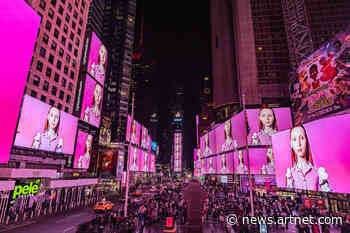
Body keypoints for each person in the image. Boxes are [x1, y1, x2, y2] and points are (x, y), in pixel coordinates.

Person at [286, 125, 332, 191]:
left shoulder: (319, 172)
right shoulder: (290, 174)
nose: (298, 144)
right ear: (291, 144)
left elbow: (329, 196)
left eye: (301, 138)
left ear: (306, 141)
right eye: (294, 139)